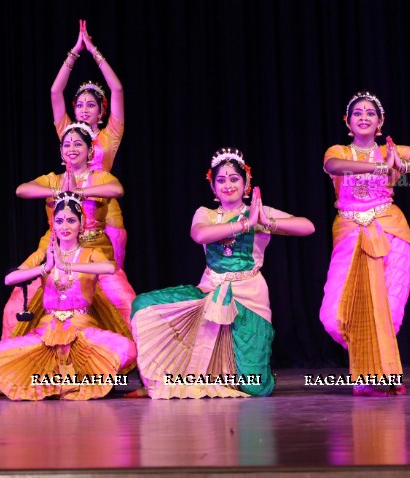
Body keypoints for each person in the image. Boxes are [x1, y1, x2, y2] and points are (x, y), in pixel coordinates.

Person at [131, 148, 314, 398]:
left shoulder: (259, 212)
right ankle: (157, 379)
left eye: (234, 178)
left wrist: (265, 223)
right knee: (143, 305)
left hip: (250, 298)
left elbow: (307, 227)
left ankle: (257, 372)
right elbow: (200, 235)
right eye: (221, 180)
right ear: (213, 188)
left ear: (246, 183)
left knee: (255, 386)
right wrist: (244, 225)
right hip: (210, 292)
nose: (228, 185)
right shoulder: (205, 213)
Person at [0, 20, 129, 339]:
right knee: (58, 284)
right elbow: (55, 91)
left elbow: (118, 89)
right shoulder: (70, 138)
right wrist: (74, 53)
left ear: (102, 111)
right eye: (80, 104)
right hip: (66, 220)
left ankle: (107, 351)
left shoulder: (109, 137)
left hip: (104, 218)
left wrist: (94, 53)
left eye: (91, 105)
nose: (84, 109)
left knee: (105, 291)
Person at [319, 92, 410, 396]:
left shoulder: (389, 150)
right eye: (357, 113)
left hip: (390, 230)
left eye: (370, 113)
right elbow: (333, 166)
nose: (364, 116)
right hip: (351, 233)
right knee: (335, 316)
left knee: (388, 311)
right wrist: (379, 167)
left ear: (380, 122)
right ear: (348, 122)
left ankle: (377, 374)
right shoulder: (338, 150)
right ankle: (373, 365)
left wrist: (402, 163)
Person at [0, 192, 137, 400]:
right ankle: (59, 380)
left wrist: (67, 265)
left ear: (81, 225)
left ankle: (58, 380)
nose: (65, 226)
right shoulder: (46, 255)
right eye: (60, 221)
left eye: (71, 220)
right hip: (46, 334)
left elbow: (109, 267)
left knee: (127, 350)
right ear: (53, 225)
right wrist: (46, 267)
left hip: (83, 332)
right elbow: (10, 279)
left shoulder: (91, 253)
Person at [5, 122, 136, 346]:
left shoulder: (100, 177)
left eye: (78, 144)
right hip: (56, 252)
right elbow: (22, 190)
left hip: (95, 253)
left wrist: (78, 192)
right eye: (66, 144)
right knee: (15, 305)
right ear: (61, 151)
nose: (71, 148)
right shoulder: (52, 179)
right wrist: (59, 192)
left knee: (126, 302)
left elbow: (117, 190)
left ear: (90, 151)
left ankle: (130, 360)